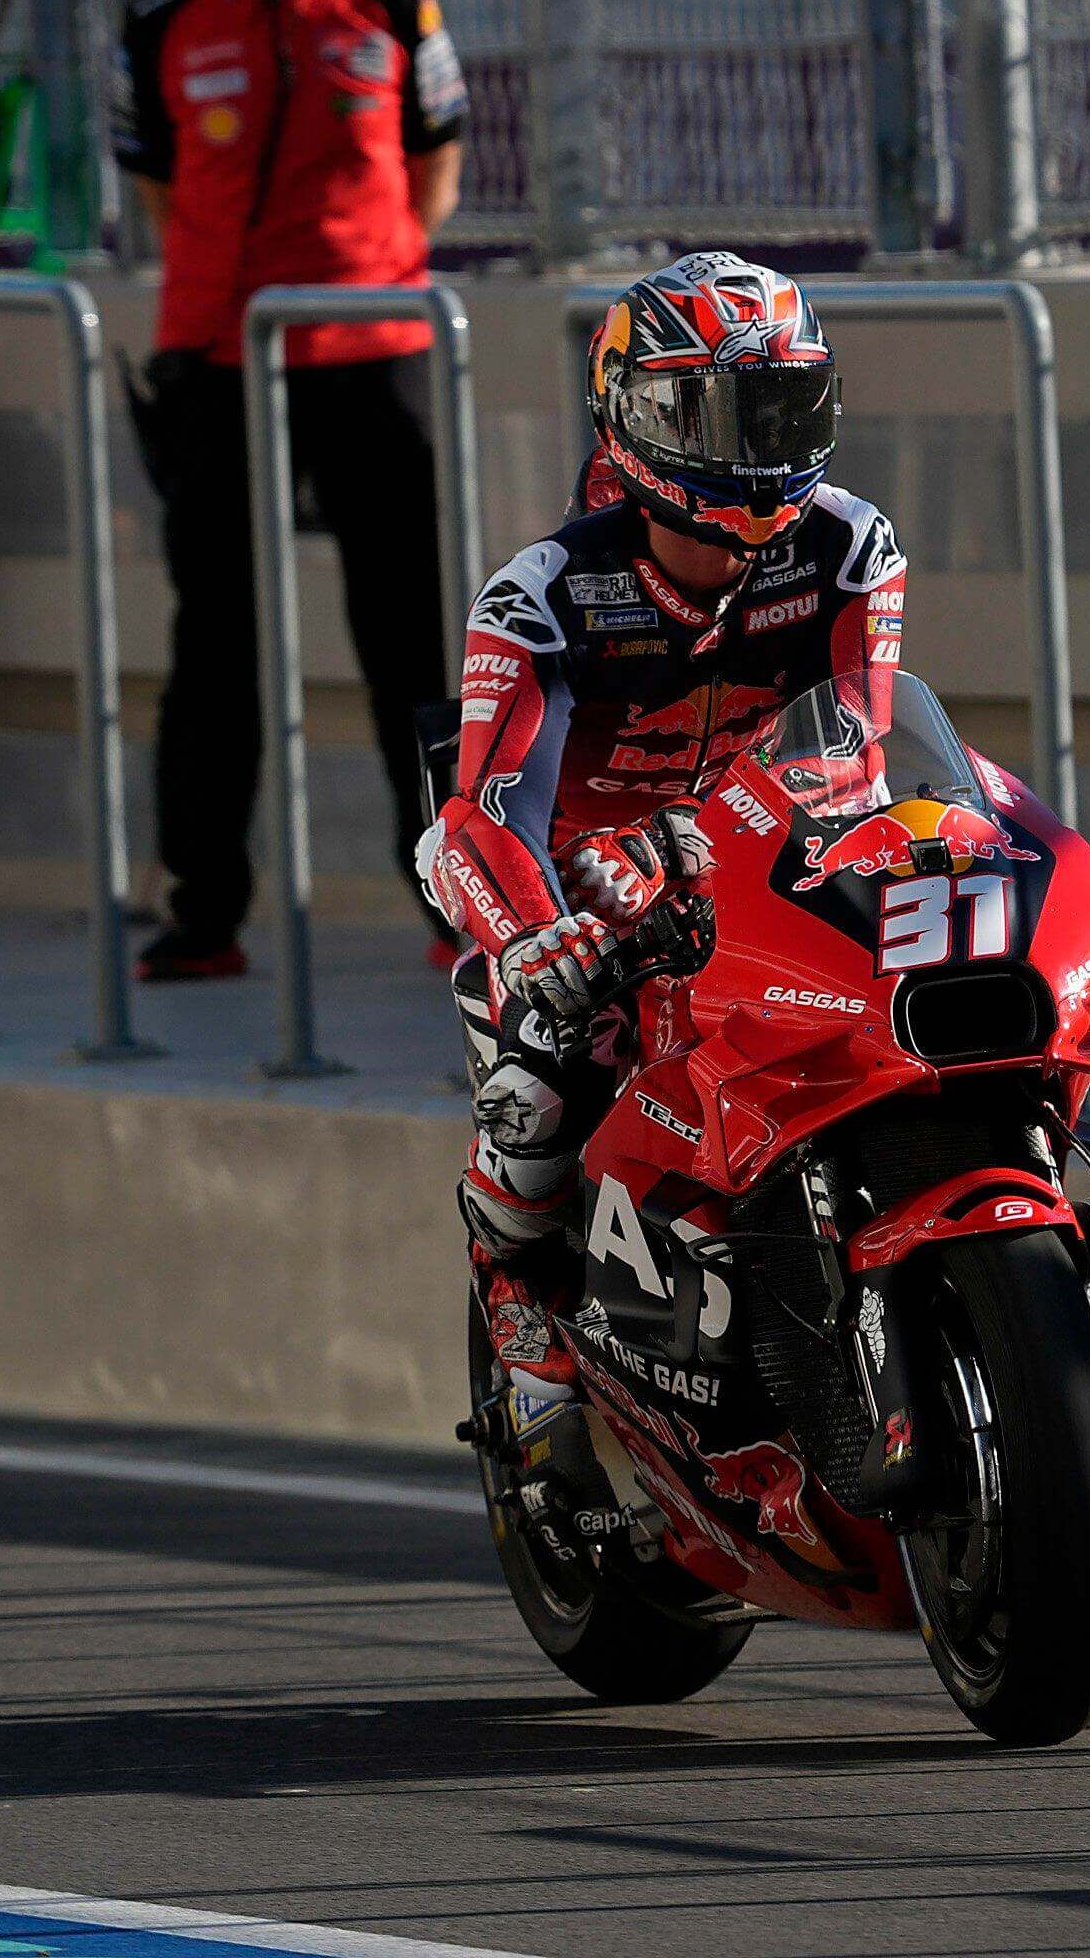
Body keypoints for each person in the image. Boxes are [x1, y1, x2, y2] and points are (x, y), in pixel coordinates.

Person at [420, 252, 905, 1388]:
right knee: (539, 1092)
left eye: (785, 404)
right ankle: (518, 1312)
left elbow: (859, 747)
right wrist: (543, 936)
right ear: (635, 414)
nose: (759, 445)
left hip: (767, 851)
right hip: (581, 885)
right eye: (721, 411)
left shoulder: (850, 546)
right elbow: (487, 810)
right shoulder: (537, 591)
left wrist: (713, 835)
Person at [111, 0, 469, 980]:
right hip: (218, 360)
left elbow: (435, 162)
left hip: (370, 354)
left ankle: (459, 908)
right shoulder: (162, 21)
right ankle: (205, 909)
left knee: (410, 640)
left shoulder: (390, 3)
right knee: (216, 642)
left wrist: (371, 268)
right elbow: (159, 188)